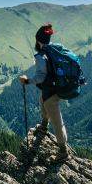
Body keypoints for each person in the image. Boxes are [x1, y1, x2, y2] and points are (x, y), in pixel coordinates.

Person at [19, 24, 69, 162]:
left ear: (38, 40)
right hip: (56, 88)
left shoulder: (42, 56)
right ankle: (44, 125)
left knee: (57, 121)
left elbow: (41, 77)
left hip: (51, 93)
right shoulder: (54, 49)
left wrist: (27, 81)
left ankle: (63, 151)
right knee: (42, 101)